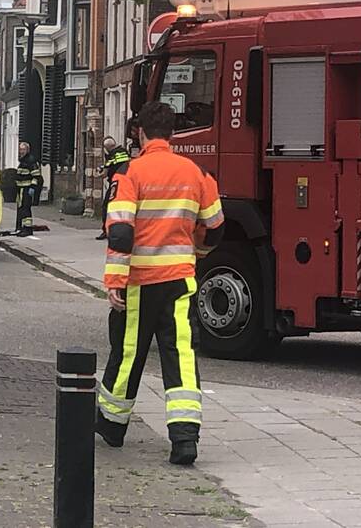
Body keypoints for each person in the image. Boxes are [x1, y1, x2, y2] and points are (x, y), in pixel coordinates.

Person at [97, 101, 224, 466]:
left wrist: (115, 281)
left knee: (129, 353)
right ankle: (185, 439)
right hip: (180, 280)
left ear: (140, 133)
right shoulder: (196, 173)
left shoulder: (130, 173)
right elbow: (216, 226)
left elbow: (120, 232)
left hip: (139, 280)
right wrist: (196, 252)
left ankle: (111, 424)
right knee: (180, 354)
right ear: (171, 132)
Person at [96, 136, 131, 240]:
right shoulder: (125, 152)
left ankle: (106, 231)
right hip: (127, 184)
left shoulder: (111, 156)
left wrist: (99, 173)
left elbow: (104, 174)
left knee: (106, 206)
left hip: (115, 185)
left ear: (107, 148)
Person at [14, 141, 40, 237]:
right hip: (20, 189)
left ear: (27, 150)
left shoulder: (30, 160)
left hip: (26, 189)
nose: (21, 151)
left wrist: (32, 187)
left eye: (23, 149)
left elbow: (36, 176)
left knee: (25, 209)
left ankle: (27, 228)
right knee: (21, 209)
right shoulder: (22, 161)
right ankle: (21, 227)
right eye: (20, 149)